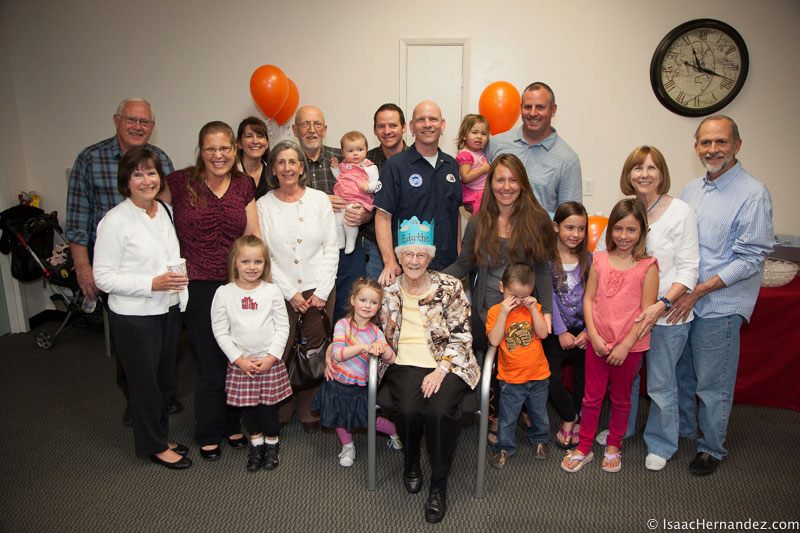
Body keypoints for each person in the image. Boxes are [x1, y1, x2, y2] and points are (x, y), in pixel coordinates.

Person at [65, 97, 179, 424]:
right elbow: (77, 218)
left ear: (152, 126)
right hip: (115, 264)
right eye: (131, 119)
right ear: (117, 120)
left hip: (156, 275)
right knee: (130, 347)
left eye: (144, 122)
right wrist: (83, 268)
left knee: (157, 352)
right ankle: (138, 404)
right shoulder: (90, 159)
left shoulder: (161, 158)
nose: (138, 127)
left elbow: (168, 209)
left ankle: (155, 404)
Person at [672, 116, 774, 476]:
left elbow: (751, 258)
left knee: (713, 384)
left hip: (720, 304)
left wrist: (700, 290)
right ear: (696, 147)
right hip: (686, 301)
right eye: (706, 142)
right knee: (683, 374)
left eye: (721, 142)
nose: (712, 150)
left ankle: (711, 448)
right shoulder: (691, 190)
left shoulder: (753, 193)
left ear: (737, 145)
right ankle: (685, 431)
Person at [593, 146, 700, 470]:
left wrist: (661, 305)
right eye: (638, 168)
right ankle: (622, 429)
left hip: (666, 316)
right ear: (628, 175)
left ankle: (661, 443)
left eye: (652, 168)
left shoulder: (680, 211)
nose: (644, 174)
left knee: (661, 383)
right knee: (626, 381)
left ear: (662, 173)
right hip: (626, 319)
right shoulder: (626, 210)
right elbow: (601, 254)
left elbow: (689, 268)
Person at [162, 120, 261, 461]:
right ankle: (208, 431)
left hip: (236, 284)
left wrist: (258, 281)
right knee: (211, 362)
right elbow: (150, 211)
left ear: (234, 149)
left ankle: (232, 425)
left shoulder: (244, 184)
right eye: (211, 149)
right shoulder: (179, 182)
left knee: (236, 358)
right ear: (200, 151)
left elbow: (253, 235)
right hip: (198, 286)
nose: (218, 155)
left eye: (224, 148)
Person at [443, 153, 554, 439]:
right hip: (489, 310)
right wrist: (432, 281)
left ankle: (522, 411)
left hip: (525, 312)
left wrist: (546, 313)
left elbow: (543, 269)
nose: (506, 186)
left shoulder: (538, 219)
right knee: (489, 359)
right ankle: (495, 415)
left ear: (523, 184)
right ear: (490, 184)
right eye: (500, 180)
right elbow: (464, 264)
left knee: (524, 359)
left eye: (513, 180)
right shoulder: (479, 221)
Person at [92, 147, 190, 469]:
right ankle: (154, 445)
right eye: (138, 174)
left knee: (164, 381)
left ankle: (160, 436)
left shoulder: (164, 210)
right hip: (135, 316)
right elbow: (103, 277)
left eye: (151, 173)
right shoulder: (115, 221)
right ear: (126, 182)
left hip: (168, 308)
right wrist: (151, 283)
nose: (146, 180)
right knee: (145, 384)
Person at [379, 216, 480, 524]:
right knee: (408, 410)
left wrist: (441, 370)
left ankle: (439, 483)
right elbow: (367, 325)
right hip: (403, 361)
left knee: (438, 412)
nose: (414, 260)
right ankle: (411, 460)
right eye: (408, 254)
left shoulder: (449, 286)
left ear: (430, 257)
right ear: (399, 257)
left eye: (421, 254)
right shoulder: (388, 290)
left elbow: (462, 334)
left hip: (449, 362)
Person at [562, 198, 658, 474]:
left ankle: (614, 445)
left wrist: (625, 345)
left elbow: (646, 313)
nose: (624, 236)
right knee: (591, 398)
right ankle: (584, 447)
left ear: (642, 232)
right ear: (610, 229)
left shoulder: (648, 266)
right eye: (618, 228)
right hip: (598, 343)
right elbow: (589, 299)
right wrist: (593, 335)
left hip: (629, 347)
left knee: (621, 398)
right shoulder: (600, 260)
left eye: (631, 230)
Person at [257, 139, 339, 433]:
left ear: (302, 168)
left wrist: (322, 291)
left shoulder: (319, 200)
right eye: (281, 162)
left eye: (293, 162)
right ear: (273, 169)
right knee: (281, 348)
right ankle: (282, 406)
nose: (287, 168)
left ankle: (309, 407)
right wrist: (289, 292)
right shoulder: (263, 205)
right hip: (280, 291)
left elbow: (331, 247)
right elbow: (265, 254)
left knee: (313, 349)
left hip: (319, 289)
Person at [210, 235, 291, 472]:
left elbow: (283, 326)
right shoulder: (224, 293)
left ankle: (272, 444)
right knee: (248, 412)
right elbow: (220, 330)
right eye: (246, 261)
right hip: (241, 365)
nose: (252, 267)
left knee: (268, 411)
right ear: (235, 262)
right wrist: (238, 359)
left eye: (258, 262)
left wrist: (272, 357)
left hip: (268, 363)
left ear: (265, 264)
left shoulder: (272, 291)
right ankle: (256, 444)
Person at [314, 278, 401, 467]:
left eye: (373, 302)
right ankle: (348, 447)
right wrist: (363, 347)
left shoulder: (376, 332)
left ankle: (394, 432)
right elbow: (337, 354)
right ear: (353, 300)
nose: (367, 305)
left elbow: (391, 359)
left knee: (370, 420)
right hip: (337, 384)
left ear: (379, 307)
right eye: (363, 300)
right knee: (339, 418)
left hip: (360, 388)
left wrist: (383, 349)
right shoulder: (342, 325)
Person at [292, 105, 368, 323]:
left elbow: (369, 193)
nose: (311, 130)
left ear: (325, 130)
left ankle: (345, 342)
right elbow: (280, 201)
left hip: (346, 246)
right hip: (307, 251)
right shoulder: (288, 162)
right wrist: (321, 200)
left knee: (350, 304)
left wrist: (365, 215)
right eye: (305, 124)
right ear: (295, 130)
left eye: (317, 124)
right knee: (312, 312)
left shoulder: (343, 158)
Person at [374, 100, 462, 286]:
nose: (427, 124)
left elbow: (456, 214)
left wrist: (460, 258)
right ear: (412, 127)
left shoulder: (451, 165)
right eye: (421, 120)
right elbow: (382, 217)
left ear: (442, 125)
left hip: (447, 267)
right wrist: (389, 262)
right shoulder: (395, 167)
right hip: (408, 268)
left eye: (433, 119)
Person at [486, 263, 550, 469]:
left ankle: (540, 439)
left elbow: (543, 334)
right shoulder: (496, 312)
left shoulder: (534, 309)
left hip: (538, 375)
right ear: (501, 287)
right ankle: (504, 448)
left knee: (539, 414)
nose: (518, 301)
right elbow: (494, 340)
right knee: (507, 418)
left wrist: (533, 310)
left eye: (523, 296)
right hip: (511, 379)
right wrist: (504, 314)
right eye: (513, 296)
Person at [486, 82, 582, 213]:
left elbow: (570, 217)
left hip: (541, 227)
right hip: (495, 226)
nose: (532, 113)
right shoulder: (496, 144)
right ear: (521, 108)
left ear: (553, 110)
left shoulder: (568, 159)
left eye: (540, 107)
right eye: (527, 107)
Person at [545, 201, 591, 450]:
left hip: (585, 331)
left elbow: (594, 298)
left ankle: (580, 418)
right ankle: (568, 415)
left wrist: (587, 331)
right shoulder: (547, 261)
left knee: (585, 380)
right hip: (556, 331)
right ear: (556, 227)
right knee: (550, 378)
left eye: (581, 229)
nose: (575, 234)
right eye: (570, 227)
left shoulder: (589, 260)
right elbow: (549, 297)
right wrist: (561, 331)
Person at [364, 103, 408, 279]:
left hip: (410, 243)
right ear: (374, 130)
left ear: (404, 127)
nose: (387, 131)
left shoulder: (416, 160)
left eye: (393, 125)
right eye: (381, 126)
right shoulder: (365, 161)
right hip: (373, 245)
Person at [331, 131, 380, 254]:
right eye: (350, 151)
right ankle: (341, 240)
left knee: (350, 219)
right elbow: (339, 178)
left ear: (366, 149)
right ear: (343, 152)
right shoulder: (344, 165)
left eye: (360, 149)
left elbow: (377, 183)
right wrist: (335, 168)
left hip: (359, 199)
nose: (356, 153)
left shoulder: (369, 167)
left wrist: (369, 187)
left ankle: (350, 241)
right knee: (337, 219)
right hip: (342, 198)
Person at [455, 114, 490, 213]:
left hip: (484, 192)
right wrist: (483, 169)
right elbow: (465, 177)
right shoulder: (466, 154)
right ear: (464, 136)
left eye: (483, 134)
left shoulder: (480, 152)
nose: (479, 136)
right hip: (475, 194)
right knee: (481, 219)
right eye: (474, 132)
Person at [236, 116, 270, 200]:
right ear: (239, 143)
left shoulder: (274, 174)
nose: (255, 141)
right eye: (249, 136)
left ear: (267, 143)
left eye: (260, 136)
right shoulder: (230, 174)